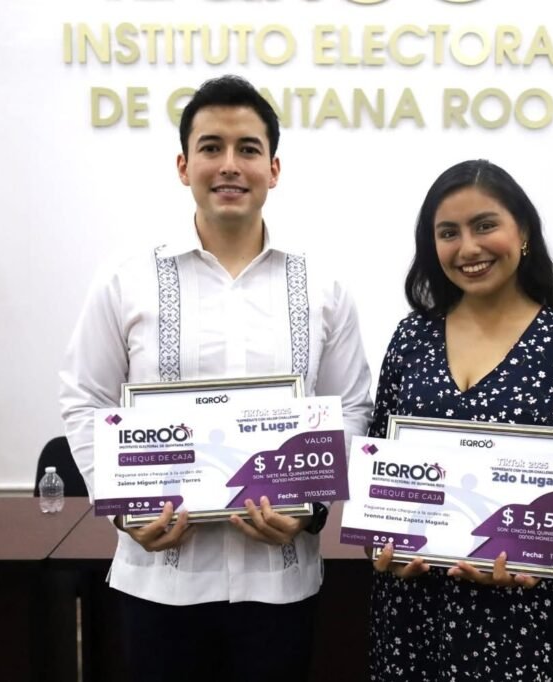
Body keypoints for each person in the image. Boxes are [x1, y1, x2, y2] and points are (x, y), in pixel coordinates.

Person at [59, 75, 373, 682]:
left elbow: (351, 405)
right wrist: (123, 508)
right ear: (184, 166)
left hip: (279, 584)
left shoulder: (324, 285)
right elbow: (84, 396)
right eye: (211, 147)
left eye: (248, 149)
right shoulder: (126, 278)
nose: (229, 164)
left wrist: (311, 507)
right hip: (160, 584)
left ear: (273, 169)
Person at [368, 159, 553, 681]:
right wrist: (382, 541)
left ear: (523, 231)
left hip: (525, 615)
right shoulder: (410, 338)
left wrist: (537, 546)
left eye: (484, 225)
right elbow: (380, 456)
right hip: (415, 613)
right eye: (448, 233)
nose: (468, 248)